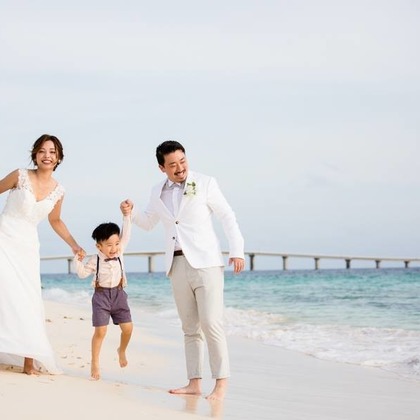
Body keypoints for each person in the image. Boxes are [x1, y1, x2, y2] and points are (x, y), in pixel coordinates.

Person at [120, 140, 245, 401]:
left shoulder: (205, 182)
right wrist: (131, 213)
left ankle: (221, 384)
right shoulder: (157, 191)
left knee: (211, 323)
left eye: (183, 161)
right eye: (173, 164)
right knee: (190, 327)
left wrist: (237, 250)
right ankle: (194, 383)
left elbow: (227, 215)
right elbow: (149, 222)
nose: (180, 168)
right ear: (161, 168)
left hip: (206, 262)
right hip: (176, 264)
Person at [0, 134, 85, 375]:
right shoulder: (19, 176)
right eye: (42, 151)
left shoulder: (59, 190)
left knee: (28, 300)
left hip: (27, 247)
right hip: (4, 237)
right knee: (3, 292)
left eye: (52, 152)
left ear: (58, 158)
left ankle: (29, 361)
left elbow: (55, 220)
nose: (47, 155)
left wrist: (74, 245)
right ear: (35, 154)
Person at [73, 217, 133, 380]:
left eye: (116, 243)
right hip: (101, 297)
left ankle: (121, 350)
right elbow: (82, 274)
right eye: (109, 245)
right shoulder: (95, 259)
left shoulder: (120, 252)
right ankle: (95, 362)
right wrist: (77, 260)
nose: (114, 248)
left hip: (119, 295)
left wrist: (127, 216)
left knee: (128, 328)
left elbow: (127, 233)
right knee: (101, 331)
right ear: (99, 246)